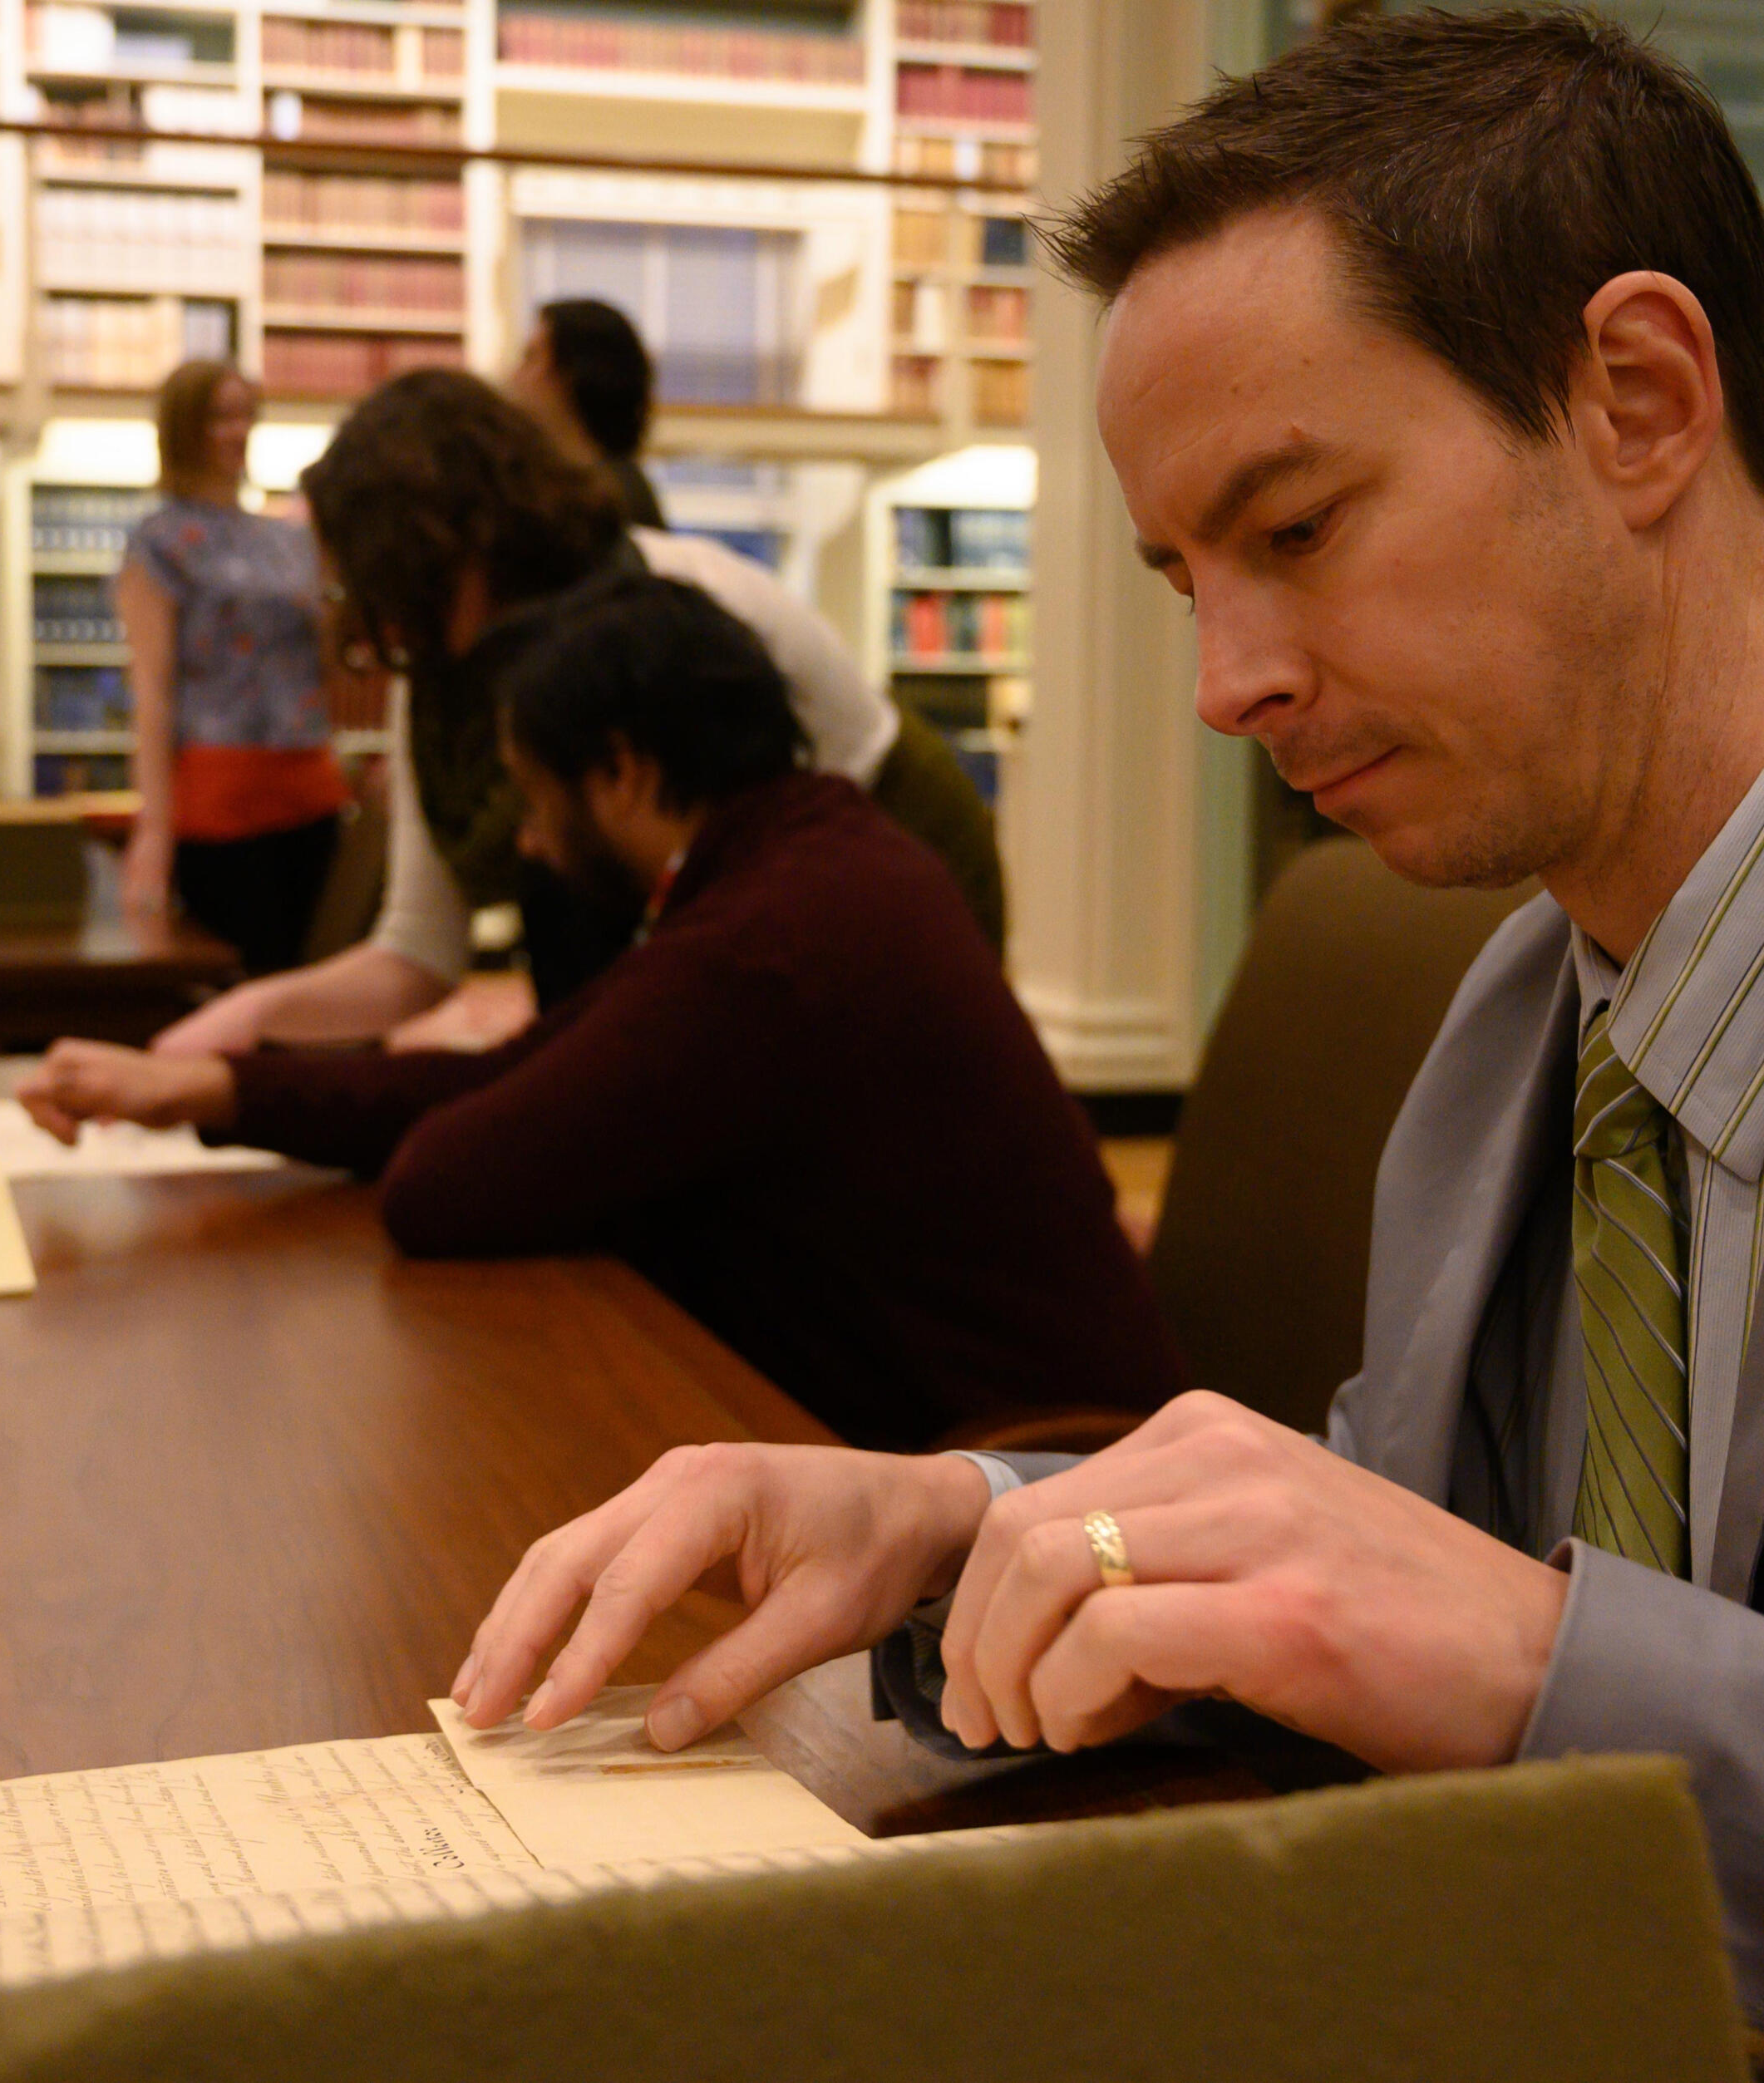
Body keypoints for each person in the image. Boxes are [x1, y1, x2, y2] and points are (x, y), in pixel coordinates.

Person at [448, 8, 1764, 2015]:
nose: (1225, 685)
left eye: (1296, 527)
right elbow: (1387, 1546)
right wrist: (943, 1521)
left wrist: (1532, 1661)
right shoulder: (1523, 1013)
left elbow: (1461, 1615)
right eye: (1182, 580)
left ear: (1638, 400)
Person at [18, 574, 1185, 1453]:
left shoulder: (764, 944)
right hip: (976, 1439)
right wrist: (218, 1088)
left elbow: (447, 1181)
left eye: (535, 796)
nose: (529, 841)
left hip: (1033, 1482)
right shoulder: (813, 856)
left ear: (620, 771)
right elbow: (530, 1073)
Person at [147, 370, 1004, 1056]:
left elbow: (741, 924)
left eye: (387, 580)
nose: (380, 623)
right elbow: (418, 950)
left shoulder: (667, 619)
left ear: (458, 546)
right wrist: (246, 1019)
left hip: (891, 867)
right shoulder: (439, 670)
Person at [120, 359, 347, 976]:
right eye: (220, 416)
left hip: (309, 786)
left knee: (312, 974)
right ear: (184, 427)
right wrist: (154, 829)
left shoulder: (288, 538)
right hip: (221, 798)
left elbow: (326, 662)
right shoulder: (159, 543)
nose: (238, 430)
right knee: (248, 971)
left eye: (246, 414)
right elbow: (153, 689)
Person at [509, 298, 669, 529]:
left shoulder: (605, 501)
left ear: (569, 376)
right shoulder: (573, 483)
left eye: (530, 357)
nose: (514, 375)